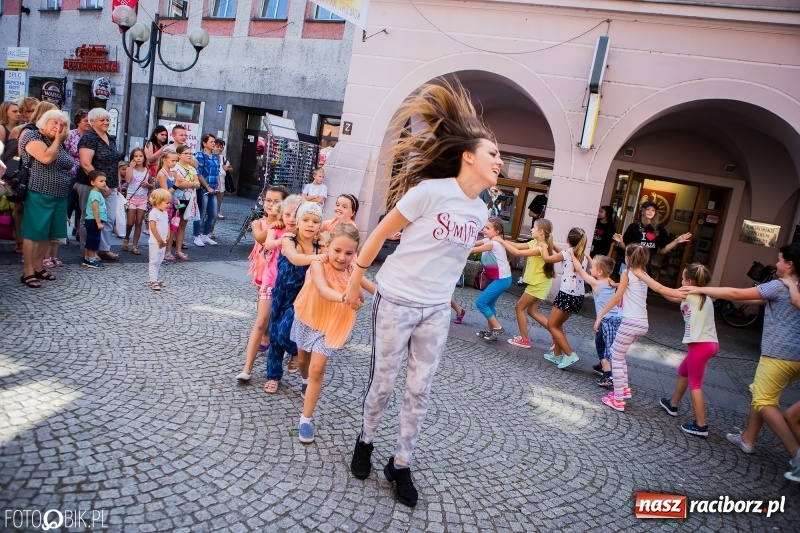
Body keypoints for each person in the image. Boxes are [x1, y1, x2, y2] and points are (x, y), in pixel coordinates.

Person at [343, 80, 500, 507]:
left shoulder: (480, 209)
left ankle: (401, 463)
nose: (499, 161)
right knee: (383, 382)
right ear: (468, 157)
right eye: (493, 153)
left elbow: (452, 254)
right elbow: (379, 233)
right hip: (395, 298)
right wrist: (356, 279)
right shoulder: (430, 192)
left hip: (435, 310)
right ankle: (365, 441)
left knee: (419, 390)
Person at [685, 244, 800, 472]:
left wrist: (701, 289)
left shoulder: (779, 285)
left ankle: (796, 455)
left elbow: (737, 294)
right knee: (761, 392)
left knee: (764, 400)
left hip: (778, 354)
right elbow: (756, 298)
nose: (776, 264)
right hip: (797, 358)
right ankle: (748, 438)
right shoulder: (793, 288)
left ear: (789, 264)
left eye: (779, 260)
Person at [292, 222, 377, 443]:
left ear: (355, 253)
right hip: (308, 318)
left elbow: (371, 292)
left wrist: (394, 297)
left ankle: (305, 419)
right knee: (303, 361)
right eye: (337, 250)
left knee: (317, 368)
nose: (342, 257)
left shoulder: (352, 271)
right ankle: (304, 380)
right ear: (328, 246)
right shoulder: (318, 264)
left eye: (349, 253)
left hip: (331, 325)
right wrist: (345, 297)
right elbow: (322, 289)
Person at [627, 263, 719, 437]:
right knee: (683, 371)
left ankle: (701, 425)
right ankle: (673, 404)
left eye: (683, 278)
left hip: (700, 345)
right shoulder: (702, 295)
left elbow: (661, 288)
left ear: (689, 282)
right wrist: (650, 281)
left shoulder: (689, 293)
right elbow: (668, 294)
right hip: (709, 344)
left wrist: (641, 274)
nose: (681, 281)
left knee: (695, 385)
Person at [264, 200, 325, 394]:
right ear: (297, 222)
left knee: (284, 331)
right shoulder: (289, 240)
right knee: (274, 336)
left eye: (315, 221)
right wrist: (318, 257)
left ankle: (296, 352)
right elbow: (296, 258)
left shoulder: (320, 247)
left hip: (302, 298)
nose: (310, 224)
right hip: (281, 293)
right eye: (305, 220)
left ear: (320, 225)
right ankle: (273, 376)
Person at [237, 187, 293, 382]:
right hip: (263, 270)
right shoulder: (258, 222)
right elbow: (260, 238)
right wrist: (273, 225)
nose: (270, 204)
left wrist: (284, 221)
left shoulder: (290, 224)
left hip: (283, 277)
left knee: (278, 317)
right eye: (268, 200)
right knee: (262, 316)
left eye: (276, 201)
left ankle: (280, 345)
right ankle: (249, 364)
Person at [18, 110, 71, 288]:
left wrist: (58, 141)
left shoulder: (58, 142)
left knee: (49, 233)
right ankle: (28, 271)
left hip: (59, 194)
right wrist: (58, 141)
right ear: (44, 122)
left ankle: (38, 266)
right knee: (34, 232)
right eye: (54, 122)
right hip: (39, 191)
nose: (58, 126)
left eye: (62, 124)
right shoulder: (33, 136)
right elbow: (47, 158)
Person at [595, 244, 651, 412]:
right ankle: (624, 389)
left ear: (627, 258)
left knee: (616, 357)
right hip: (642, 322)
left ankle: (618, 399)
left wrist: (601, 315)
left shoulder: (627, 272)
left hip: (630, 322)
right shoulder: (644, 274)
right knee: (620, 355)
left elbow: (617, 296)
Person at [495, 219, 556, 349]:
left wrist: (501, 242)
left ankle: (524, 339)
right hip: (539, 284)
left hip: (538, 285)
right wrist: (500, 240)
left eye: (534, 227)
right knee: (532, 311)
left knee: (519, 308)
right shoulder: (535, 242)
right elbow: (517, 246)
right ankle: (556, 335)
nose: (531, 229)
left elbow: (517, 253)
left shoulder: (540, 248)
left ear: (540, 231)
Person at [540, 227, 590, 369]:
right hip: (578, 296)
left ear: (568, 239)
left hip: (567, 294)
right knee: (558, 325)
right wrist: (552, 245)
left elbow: (547, 258)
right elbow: (563, 253)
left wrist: (544, 246)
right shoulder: (582, 254)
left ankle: (569, 354)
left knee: (552, 325)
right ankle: (556, 355)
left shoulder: (567, 253)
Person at [77, 108, 121, 261]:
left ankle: (103, 248)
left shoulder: (110, 138)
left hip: (111, 184)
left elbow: (115, 162)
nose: (106, 122)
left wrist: (117, 182)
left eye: (107, 119)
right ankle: (89, 252)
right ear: (92, 122)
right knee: (89, 219)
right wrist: (101, 184)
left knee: (108, 218)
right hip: (91, 185)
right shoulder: (89, 138)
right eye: (102, 120)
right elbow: (85, 164)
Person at [572, 254, 620, 388]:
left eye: (592, 267)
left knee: (601, 347)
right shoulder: (609, 280)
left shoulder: (596, 283)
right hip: (616, 319)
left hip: (605, 321)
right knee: (609, 345)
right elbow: (595, 269)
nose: (589, 269)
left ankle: (608, 375)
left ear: (599, 272)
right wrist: (589, 258)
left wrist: (572, 255)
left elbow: (580, 270)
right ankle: (602, 366)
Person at [613, 200, 691, 270]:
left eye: (653, 210)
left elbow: (664, 250)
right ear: (642, 211)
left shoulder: (659, 229)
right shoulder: (633, 226)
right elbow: (625, 247)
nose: (650, 212)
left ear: (655, 213)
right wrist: (620, 242)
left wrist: (677, 241)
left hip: (645, 266)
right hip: (630, 263)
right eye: (648, 209)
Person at [472, 217, 513, 341]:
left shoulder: (493, 244)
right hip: (499, 279)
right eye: (484, 227)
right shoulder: (488, 240)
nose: (484, 230)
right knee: (489, 304)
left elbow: (472, 250)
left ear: (497, 232)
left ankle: (498, 328)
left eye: (488, 228)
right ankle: (491, 332)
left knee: (480, 302)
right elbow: (472, 244)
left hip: (502, 280)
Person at [172, 144, 201, 260]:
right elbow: (180, 184)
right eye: (186, 153)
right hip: (179, 200)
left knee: (183, 224)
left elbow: (198, 184)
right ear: (179, 155)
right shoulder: (176, 167)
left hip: (190, 199)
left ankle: (178, 250)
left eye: (190, 153)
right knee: (174, 223)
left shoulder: (192, 168)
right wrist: (193, 184)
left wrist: (190, 184)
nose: (189, 155)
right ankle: (168, 250)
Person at [64, 109, 90, 239]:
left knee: (82, 204)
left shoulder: (91, 137)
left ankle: (79, 231)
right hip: (70, 174)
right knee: (69, 202)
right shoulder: (70, 135)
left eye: (90, 121)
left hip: (85, 175)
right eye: (86, 120)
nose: (88, 123)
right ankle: (63, 231)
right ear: (78, 122)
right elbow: (64, 152)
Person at [123, 148, 152, 255]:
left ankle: (134, 245)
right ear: (132, 158)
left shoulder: (147, 171)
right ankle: (126, 238)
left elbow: (151, 185)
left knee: (139, 222)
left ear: (144, 158)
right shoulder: (130, 168)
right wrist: (130, 167)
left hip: (143, 199)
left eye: (140, 156)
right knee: (130, 222)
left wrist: (148, 185)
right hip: (131, 198)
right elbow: (128, 180)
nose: (138, 158)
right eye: (136, 156)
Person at [192, 133, 219, 247]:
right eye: (211, 142)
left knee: (213, 214)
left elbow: (217, 172)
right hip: (203, 189)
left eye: (214, 142)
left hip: (213, 189)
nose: (213, 144)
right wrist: (207, 187)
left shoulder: (215, 156)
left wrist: (218, 185)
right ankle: (196, 236)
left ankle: (205, 235)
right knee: (201, 213)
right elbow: (198, 173)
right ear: (204, 143)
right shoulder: (200, 155)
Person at [155, 150, 180, 262]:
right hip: (162, 205)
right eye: (172, 160)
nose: (174, 163)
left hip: (172, 204)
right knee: (163, 229)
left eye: (176, 161)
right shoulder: (162, 174)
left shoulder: (172, 173)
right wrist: (176, 184)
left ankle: (167, 251)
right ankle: (159, 252)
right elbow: (166, 193)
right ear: (165, 160)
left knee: (172, 228)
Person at [82, 171, 108, 269]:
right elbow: (95, 209)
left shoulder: (97, 193)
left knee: (91, 239)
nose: (104, 183)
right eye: (101, 181)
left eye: (105, 181)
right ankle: (91, 260)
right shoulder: (95, 194)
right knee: (93, 240)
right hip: (93, 220)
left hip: (93, 220)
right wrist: (98, 223)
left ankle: (87, 258)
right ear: (93, 182)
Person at [147, 189, 171, 290]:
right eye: (167, 203)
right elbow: (152, 227)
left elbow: (167, 223)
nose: (169, 205)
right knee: (154, 261)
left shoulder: (164, 213)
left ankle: (155, 278)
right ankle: (153, 280)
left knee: (159, 260)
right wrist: (159, 240)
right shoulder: (154, 213)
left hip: (163, 241)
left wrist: (168, 234)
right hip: (155, 242)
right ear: (158, 202)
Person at [212, 139, 233, 226]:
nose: (219, 149)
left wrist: (227, 168)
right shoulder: (210, 157)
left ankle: (217, 212)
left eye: (221, 147)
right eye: (217, 147)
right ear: (213, 147)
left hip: (222, 182)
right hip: (212, 183)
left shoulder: (223, 159)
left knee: (219, 201)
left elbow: (231, 169)